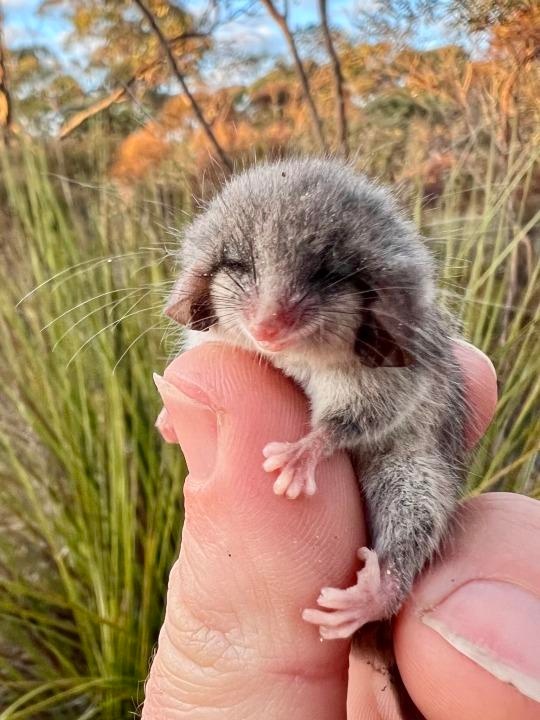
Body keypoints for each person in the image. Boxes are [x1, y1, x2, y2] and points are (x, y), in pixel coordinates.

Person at [144, 341, 539, 719]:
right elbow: (207, 331)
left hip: (396, 449)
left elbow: (379, 396)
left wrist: (320, 442)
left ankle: (387, 588)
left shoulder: (371, 320)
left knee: (413, 489)